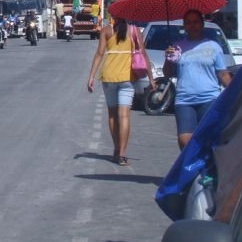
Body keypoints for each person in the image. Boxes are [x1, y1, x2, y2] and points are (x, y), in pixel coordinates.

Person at [87, 17, 156, 165]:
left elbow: (99, 54)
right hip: (127, 78)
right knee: (124, 117)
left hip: (109, 77)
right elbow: (143, 54)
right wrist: (151, 78)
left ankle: (116, 149)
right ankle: (123, 155)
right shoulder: (134, 30)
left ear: (113, 16)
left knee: (112, 115)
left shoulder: (106, 30)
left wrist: (91, 76)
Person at [163, 9, 232, 151]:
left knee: (208, 139)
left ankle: (208, 171)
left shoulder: (213, 47)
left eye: (195, 22)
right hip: (184, 100)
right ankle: (193, 170)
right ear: (184, 26)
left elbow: (223, 74)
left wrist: (235, 92)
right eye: (188, 23)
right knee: (184, 140)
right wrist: (168, 59)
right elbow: (167, 73)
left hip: (209, 98)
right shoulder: (177, 47)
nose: (192, 25)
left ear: (202, 24)